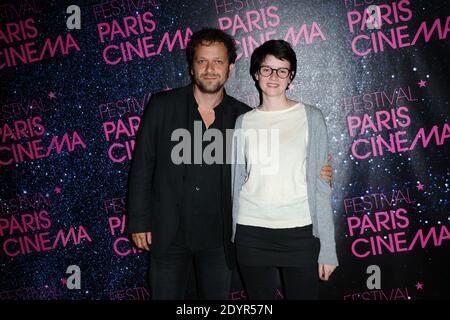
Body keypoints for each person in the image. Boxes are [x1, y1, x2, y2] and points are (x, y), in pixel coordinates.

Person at [126, 28, 333, 300]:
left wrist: (318, 172)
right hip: (168, 234)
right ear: (192, 67)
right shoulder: (163, 106)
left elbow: (268, 166)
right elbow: (142, 166)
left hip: (219, 238)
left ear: (231, 69)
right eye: (202, 61)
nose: (210, 69)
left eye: (218, 61)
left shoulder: (241, 117)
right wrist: (139, 221)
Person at [231, 39, 338, 300]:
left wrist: (328, 249)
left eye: (282, 70)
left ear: (291, 77)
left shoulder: (311, 117)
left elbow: (321, 188)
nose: (274, 77)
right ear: (256, 74)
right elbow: (236, 181)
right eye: (267, 69)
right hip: (251, 231)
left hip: (299, 231)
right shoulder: (243, 123)